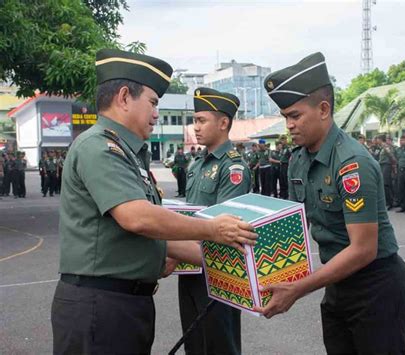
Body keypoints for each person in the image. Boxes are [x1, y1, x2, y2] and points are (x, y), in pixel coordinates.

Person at [50, 48, 257, 355]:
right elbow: (139, 218)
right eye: (153, 102)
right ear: (123, 97)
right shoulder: (100, 147)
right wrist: (213, 230)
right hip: (100, 306)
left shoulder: (126, 154)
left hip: (124, 306)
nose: (157, 114)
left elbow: (150, 237)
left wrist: (250, 270)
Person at [256, 52, 405, 354]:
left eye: (295, 115)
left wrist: (298, 289)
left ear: (324, 109)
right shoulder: (299, 161)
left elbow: (363, 249)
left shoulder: (352, 163)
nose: (288, 125)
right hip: (338, 284)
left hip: (376, 287)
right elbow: (294, 225)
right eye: (286, 117)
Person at [178, 87, 251, 355]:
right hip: (190, 270)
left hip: (219, 273)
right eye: (194, 120)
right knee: (195, 345)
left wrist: (173, 253)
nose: (195, 127)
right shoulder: (197, 164)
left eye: (201, 120)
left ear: (223, 123)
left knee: (220, 345)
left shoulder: (232, 168)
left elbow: (224, 227)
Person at [377, 134, 396, 210]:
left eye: (378, 139)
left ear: (381, 139)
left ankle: (390, 203)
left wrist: (394, 164)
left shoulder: (385, 146)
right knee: (384, 185)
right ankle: (387, 202)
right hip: (382, 166)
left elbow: (391, 155)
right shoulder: (382, 147)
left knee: (386, 184)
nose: (377, 140)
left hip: (386, 166)